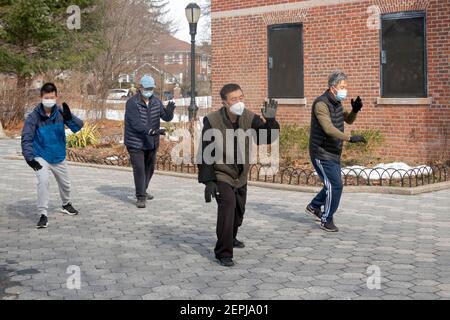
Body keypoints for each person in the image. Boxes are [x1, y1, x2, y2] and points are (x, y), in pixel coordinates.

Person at [198, 83, 280, 267]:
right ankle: (223, 252)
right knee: (228, 206)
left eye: (241, 97)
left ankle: (231, 237)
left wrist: (271, 121)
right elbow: (204, 151)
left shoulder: (249, 117)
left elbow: (264, 139)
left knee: (238, 211)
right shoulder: (212, 120)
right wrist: (208, 181)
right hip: (222, 172)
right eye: (234, 99)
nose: (239, 102)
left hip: (240, 175)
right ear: (225, 102)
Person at [306, 71, 366, 232]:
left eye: (346, 86)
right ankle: (326, 219)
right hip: (321, 152)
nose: (345, 90)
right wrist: (350, 138)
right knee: (336, 185)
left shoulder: (336, 103)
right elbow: (328, 128)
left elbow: (347, 119)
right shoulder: (321, 104)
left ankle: (314, 206)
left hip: (333, 151)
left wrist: (355, 110)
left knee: (330, 184)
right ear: (333, 88)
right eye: (342, 87)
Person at [21, 83, 84, 229]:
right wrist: (29, 158)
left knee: (66, 184)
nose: (49, 100)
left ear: (56, 97)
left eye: (51, 97)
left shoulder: (61, 112)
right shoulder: (34, 117)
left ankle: (66, 204)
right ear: (41, 98)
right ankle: (43, 214)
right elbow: (26, 137)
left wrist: (70, 118)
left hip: (58, 155)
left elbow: (78, 127)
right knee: (43, 181)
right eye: (46, 97)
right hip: (41, 155)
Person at [124, 75, 176, 208]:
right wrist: (152, 131)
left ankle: (143, 190)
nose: (149, 91)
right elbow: (135, 124)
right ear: (140, 88)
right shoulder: (132, 103)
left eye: (151, 88)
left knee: (150, 168)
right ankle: (140, 196)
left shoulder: (156, 102)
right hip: (135, 142)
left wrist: (170, 112)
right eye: (146, 88)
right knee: (140, 169)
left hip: (151, 142)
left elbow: (165, 117)